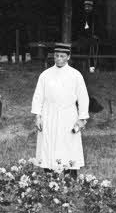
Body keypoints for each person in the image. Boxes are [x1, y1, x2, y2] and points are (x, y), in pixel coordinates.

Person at [30, 42, 89, 173]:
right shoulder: (45, 75)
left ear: (68, 57)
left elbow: (83, 98)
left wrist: (82, 118)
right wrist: (37, 117)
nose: (59, 59)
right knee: (48, 144)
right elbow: (38, 96)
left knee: (68, 145)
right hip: (49, 114)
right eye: (56, 56)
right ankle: (49, 175)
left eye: (62, 56)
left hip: (68, 115)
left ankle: (70, 176)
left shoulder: (75, 75)